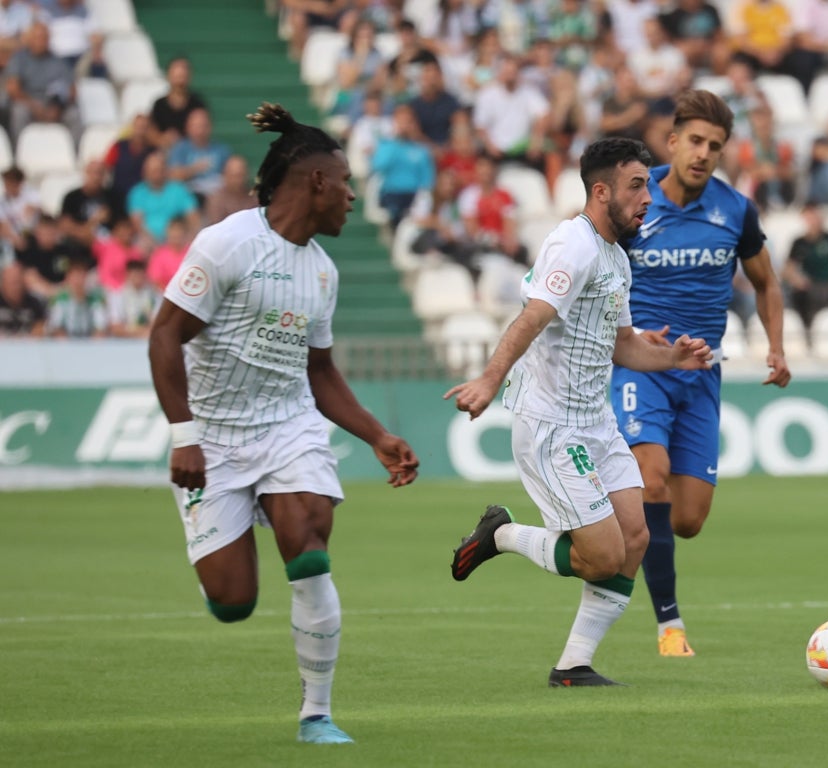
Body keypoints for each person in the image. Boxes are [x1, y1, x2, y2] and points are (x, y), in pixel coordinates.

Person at [147, 102, 420, 745]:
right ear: (316, 182)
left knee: (309, 539)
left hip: (286, 427)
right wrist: (184, 436)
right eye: (345, 183)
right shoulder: (227, 245)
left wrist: (377, 435)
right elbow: (164, 337)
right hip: (213, 437)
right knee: (233, 602)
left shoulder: (322, 271)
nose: (352, 196)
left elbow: (319, 371)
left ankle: (316, 715)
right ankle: (227, 561)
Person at [445, 137, 713, 687]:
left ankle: (573, 666)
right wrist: (489, 380)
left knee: (635, 538)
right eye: (636, 186)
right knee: (601, 557)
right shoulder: (573, 244)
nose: (648, 198)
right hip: (552, 424)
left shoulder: (616, 258)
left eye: (648, 186)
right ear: (601, 191)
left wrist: (672, 358)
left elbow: (624, 346)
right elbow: (533, 317)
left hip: (598, 424)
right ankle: (501, 535)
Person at [610, 89, 791, 658]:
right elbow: (584, 262)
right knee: (652, 476)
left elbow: (766, 283)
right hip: (642, 366)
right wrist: (619, 336)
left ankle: (610, 509)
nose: (703, 153)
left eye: (714, 145)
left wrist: (776, 348)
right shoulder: (634, 198)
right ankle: (670, 626)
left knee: (687, 520)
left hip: (701, 373)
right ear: (672, 142)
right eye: (694, 141)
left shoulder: (735, 210)